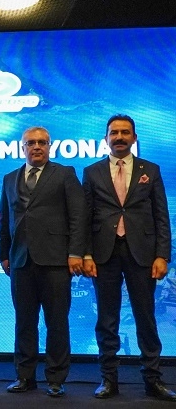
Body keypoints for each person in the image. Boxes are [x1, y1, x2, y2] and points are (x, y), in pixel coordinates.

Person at [82, 114, 175, 401]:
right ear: (106, 138)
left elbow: (161, 215)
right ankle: (108, 379)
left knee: (145, 318)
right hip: (104, 254)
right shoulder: (92, 172)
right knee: (107, 319)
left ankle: (153, 380)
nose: (119, 137)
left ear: (134, 138)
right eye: (114, 133)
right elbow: (85, 217)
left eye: (125, 132)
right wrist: (86, 254)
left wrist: (162, 255)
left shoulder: (151, 169)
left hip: (143, 253)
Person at [0, 126, 86, 398]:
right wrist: (4, 254)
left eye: (42, 142)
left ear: (49, 146)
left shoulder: (65, 174)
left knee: (56, 322)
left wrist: (75, 253)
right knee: (24, 322)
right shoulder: (10, 178)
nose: (36, 146)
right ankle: (25, 376)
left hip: (56, 261)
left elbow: (78, 216)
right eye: (31, 143)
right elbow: (5, 219)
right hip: (20, 261)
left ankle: (56, 378)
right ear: (22, 147)